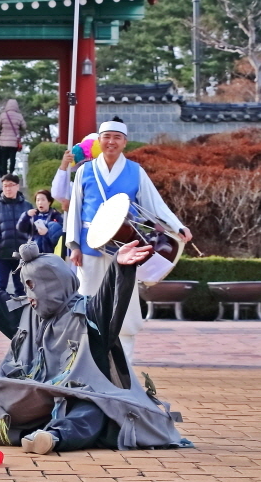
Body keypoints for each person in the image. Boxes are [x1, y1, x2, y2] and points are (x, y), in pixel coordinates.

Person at [0, 235, 191, 455]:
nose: (30, 296)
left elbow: (108, 299)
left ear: (55, 284)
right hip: (31, 399)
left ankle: (52, 438)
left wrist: (119, 268)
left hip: (76, 399)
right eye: (26, 287)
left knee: (94, 409)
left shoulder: (89, 314)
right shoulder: (24, 313)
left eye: (34, 287)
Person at [64, 119, 192, 363]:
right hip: (90, 245)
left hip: (126, 245)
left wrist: (177, 226)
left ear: (124, 142)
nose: (111, 142)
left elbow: (155, 203)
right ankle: (84, 359)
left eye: (117, 137)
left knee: (125, 299)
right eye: (107, 136)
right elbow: (75, 209)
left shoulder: (135, 171)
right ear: (99, 140)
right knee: (88, 297)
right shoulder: (84, 170)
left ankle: (124, 362)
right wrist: (74, 245)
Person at [0, 174, 33, 296]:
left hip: (21, 254)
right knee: (0, 286)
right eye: (5, 186)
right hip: (2, 253)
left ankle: (21, 314)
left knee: (21, 288)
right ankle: (0, 314)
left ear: (18, 186)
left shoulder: (27, 206)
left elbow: (32, 226)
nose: (8, 189)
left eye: (11, 185)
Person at [17, 189, 64, 254]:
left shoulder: (56, 216)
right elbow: (21, 228)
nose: (40, 202)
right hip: (33, 253)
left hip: (50, 254)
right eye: (38, 200)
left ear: (49, 202)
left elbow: (60, 237)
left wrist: (47, 233)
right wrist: (26, 215)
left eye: (43, 200)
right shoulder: (32, 215)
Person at [0, 99, 26, 175]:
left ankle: (4, 173)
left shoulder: (3, 115)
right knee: (13, 157)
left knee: (4, 158)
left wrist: (2, 128)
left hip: (3, 141)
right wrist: (18, 128)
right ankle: (11, 172)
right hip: (14, 141)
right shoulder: (19, 116)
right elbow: (24, 127)